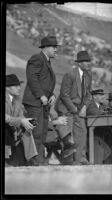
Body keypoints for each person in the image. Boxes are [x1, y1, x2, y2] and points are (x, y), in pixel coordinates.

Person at [22, 36, 59, 165]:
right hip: (34, 102)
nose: (56, 49)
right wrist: (41, 96)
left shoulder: (47, 61)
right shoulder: (37, 58)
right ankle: (34, 161)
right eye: (54, 47)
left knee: (42, 134)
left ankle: (39, 160)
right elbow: (32, 78)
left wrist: (52, 95)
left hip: (42, 103)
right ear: (46, 48)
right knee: (36, 133)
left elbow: (45, 83)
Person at [55, 50, 92, 165]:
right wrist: (73, 109)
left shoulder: (88, 75)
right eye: (85, 61)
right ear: (79, 63)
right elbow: (64, 94)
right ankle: (68, 160)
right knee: (68, 135)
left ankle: (80, 158)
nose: (88, 63)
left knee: (82, 132)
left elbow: (88, 93)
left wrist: (85, 106)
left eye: (88, 61)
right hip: (66, 108)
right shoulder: (70, 74)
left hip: (79, 108)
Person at [5, 74, 38, 167]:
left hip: (13, 129)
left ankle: (31, 157)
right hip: (7, 129)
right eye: (16, 86)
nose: (19, 88)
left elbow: (21, 116)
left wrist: (27, 121)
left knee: (27, 126)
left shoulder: (17, 100)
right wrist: (20, 121)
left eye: (19, 85)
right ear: (7, 88)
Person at [86, 89, 112, 164]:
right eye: (100, 95)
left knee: (108, 150)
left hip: (98, 134)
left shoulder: (101, 106)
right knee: (101, 151)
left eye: (103, 95)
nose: (103, 97)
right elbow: (93, 112)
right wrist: (105, 112)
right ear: (94, 96)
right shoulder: (91, 104)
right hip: (90, 135)